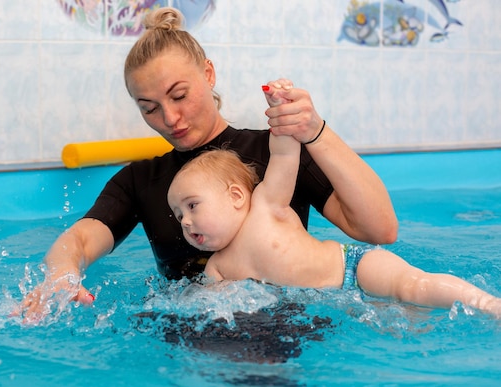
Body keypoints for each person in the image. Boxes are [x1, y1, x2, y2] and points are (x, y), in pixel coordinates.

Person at [19, 7, 398, 323]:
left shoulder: (276, 152)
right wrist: (61, 274)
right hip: (188, 325)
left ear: (209, 74)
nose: (169, 117)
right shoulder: (139, 180)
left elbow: (380, 229)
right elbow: (81, 239)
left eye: (179, 95)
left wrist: (315, 131)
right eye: (149, 108)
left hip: (287, 320)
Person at [166, 80, 501, 318]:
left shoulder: (266, 205)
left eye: (193, 205)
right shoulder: (217, 268)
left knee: (413, 287)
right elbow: (208, 309)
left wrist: (283, 113)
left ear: (237, 195)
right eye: (179, 214)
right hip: (337, 300)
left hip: (353, 269)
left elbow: (284, 156)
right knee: (407, 318)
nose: (185, 220)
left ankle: (489, 305)